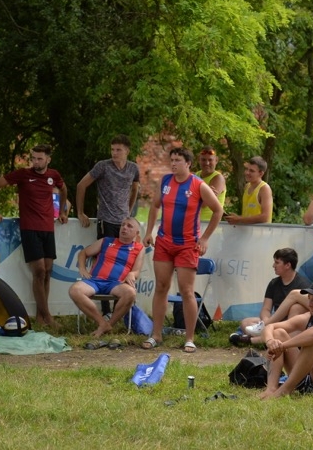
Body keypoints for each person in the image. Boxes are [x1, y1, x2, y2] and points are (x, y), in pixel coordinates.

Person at [142, 147, 223, 353]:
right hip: (164, 241)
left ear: (188, 163)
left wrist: (204, 238)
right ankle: (156, 335)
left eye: (178, 160)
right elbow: (154, 206)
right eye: (172, 159)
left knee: (186, 291)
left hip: (187, 243)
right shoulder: (165, 181)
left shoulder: (198, 185)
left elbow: (218, 210)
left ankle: (189, 338)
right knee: (161, 286)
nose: (173, 163)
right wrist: (149, 231)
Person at [0, 144, 67, 327]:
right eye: (33, 158)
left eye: (40, 158)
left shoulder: (53, 175)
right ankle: (47, 316)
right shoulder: (23, 174)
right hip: (29, 228)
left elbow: (63, 189)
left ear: (48, 159)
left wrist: (62, 212)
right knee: (39, 270)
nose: (36, 162)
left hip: (48, 228)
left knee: (47, 271)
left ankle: (41, 317)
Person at [68, 217, 144, 338]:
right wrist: (82, 269)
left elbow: (136, 271)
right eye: (123, 224)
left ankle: (109, 323)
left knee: (130, 293)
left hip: (117, 284)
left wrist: (131, 274)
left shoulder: (139, 248)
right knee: (74, 290)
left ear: (137, 233)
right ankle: (103, 324)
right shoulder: (106, 241)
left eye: (129, 226)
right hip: (95, 281)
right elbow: (83, 253)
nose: (124, 227)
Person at [229, 248, 311, 347]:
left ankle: (256, 339)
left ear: (288, 265)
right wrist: (265, 320)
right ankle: (267, 336)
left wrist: (266, 324)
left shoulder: (303, 284)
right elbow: (266, 308)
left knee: (295, 309)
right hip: (275, 321)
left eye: (277, 263)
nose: (273, 266)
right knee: (245, 322)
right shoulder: (273, 283)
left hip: (291, 326)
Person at [75, 134, 140, 239]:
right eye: (112, 149)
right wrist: (80, 212)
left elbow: (135, 188)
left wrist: (129, 210)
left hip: (123, 221)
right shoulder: (103, 166)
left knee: (122, 253)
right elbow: (81, 185)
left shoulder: (133, 168)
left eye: (118, 150)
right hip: (106, 220)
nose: (114, 153)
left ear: (127, 151)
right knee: (106, 253)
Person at [225, 156, 272, 225]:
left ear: (261, 173)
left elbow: (265, 217)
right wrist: (236, 218)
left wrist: (239, 219)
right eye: (247, 169)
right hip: (248, 233)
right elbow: (248, 215)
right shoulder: (247, 186)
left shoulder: (264, 189)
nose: (247, 172)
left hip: (261, 234)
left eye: (251, 171)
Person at [194, 146, 226, 221]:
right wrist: (204, 193)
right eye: (203, 160)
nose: (207, 163)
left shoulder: (218, 178)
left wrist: (193, 193)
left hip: (210, 224)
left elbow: (204, 204)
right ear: (199, 160)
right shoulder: (196, 175)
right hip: (195, 223)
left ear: (216, 160)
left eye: (210, 160)